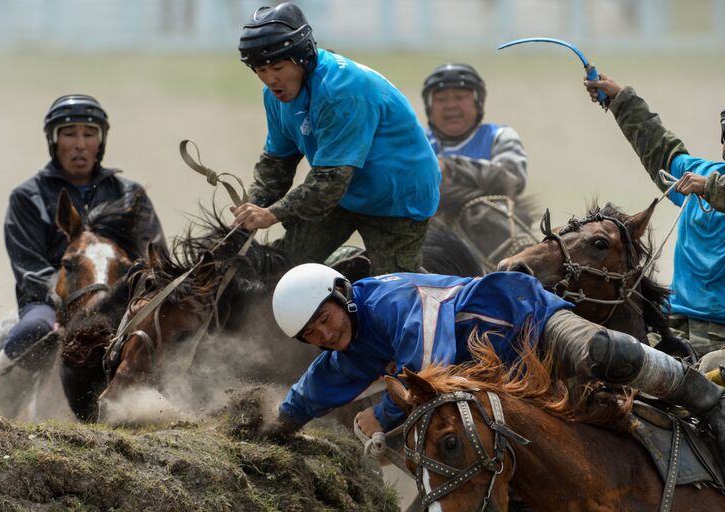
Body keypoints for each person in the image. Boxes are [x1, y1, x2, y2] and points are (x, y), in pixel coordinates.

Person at [265, 263, 725, 458]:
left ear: (342, 296)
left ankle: (708, 399)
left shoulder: (390, 300)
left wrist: (382, 413)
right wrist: (275, 428)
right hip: (500, 380)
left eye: (324, 320)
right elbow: (313, 390)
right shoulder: (347, 344)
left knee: (610, 353)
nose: (325, 335)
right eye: (312, 335)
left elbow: (428, 367)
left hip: (531, 324)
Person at [232, 3, 441, 275]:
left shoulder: (342, 91)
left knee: (391, 294)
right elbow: (276, 164)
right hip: (344, 195)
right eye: (260, 69)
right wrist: (251, 211)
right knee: (283, 268)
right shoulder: (275, 97)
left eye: (278, 67)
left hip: (397, 196)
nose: (270, 79)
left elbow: (329, 184)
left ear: (303, 57)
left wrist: (271, 214)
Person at [3, 94, 164, 363]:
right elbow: (29, 267)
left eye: (89, 134)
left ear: (100, 141)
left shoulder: (129, 194)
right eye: (68, 134)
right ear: (54, 141)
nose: (80, 144)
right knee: (30, 334)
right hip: (51, 302)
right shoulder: (27, 197)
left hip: (122, 300)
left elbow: (152, 255)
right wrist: (70, 304)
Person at [584, 75, 725, 357]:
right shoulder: (698, 173)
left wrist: (709, 188)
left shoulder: (704, 182)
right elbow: (659, 147)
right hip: (673, 324)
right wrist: (620, 98)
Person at [422, 63, 528, 198]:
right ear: (429, 108)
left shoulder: (499, 137)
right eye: (441, 99)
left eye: (460, 97)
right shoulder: (416, 143)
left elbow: (513, 180)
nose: (450, 105)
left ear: (478, 103)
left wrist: (448, 168)